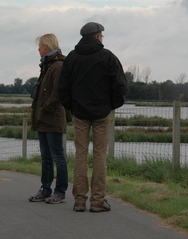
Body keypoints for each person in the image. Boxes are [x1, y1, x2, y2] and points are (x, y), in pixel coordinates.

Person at [58, 22, 127, 212]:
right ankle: (97, 201)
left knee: (80, 156)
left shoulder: (72, 58)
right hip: (102, 113)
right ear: (98, 36)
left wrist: (72, 107)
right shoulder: (108, 57)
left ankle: (79, 200)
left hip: (79, 114)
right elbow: (120, 86)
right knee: (99, 156)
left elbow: (62, 88)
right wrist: (111, 105)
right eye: (101, 36)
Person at [28, 33, 68, 204]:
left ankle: (60, 191)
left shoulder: (58, 66)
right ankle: (45, 189)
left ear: (46, 47)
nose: (38, 49)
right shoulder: (47, 66)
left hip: (52, 118)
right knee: (45, 156)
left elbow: (57, 94)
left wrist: (44, 109)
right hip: (43, 118)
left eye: (40, 46)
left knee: (57, 156)